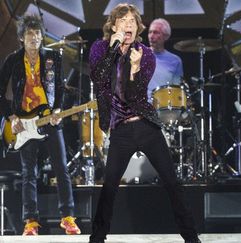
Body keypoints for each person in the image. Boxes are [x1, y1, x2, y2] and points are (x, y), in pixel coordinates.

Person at [88, 4, 200, 243]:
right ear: (114, 25)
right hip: (120, 130)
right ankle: (97, 238)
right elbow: (99, 80)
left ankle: (191, 237)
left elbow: (135, 96)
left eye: (132, 21)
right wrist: (112, 49)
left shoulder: (145, 54)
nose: (128, 24)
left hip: (146, 126)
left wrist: (135, 70)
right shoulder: (99, 48)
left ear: (138, 27)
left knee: (172, 182)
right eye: (123, 20)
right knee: (109, 188)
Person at [0, 15, 81, 235]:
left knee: (62, 170)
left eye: (37, 33)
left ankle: (68, 218)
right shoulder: (12, 60)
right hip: (24, 123)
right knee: (29, 173)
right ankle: (30, 222)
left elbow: (61, 89)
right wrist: (11, 117)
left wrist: (57, 110)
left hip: (49, 120)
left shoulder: (52, 57)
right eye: (29, 33)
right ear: (21, 38)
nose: (34, 37)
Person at [146, 18, 183, 104]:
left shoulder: (175, 61)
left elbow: (177, 89)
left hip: (165, 108)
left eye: (156, 32)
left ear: (166, 36)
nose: (151, 36)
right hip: (142, 108)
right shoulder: (140, 56)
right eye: (150, 32)